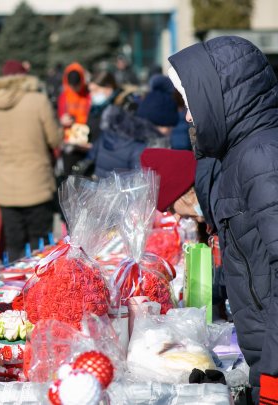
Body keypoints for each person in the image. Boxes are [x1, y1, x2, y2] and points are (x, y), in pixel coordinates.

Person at [168, 35, 278, 404]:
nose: (187, 115)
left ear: (221, 96)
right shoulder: (238, 153)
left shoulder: (261, 157)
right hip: (263, 352)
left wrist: (274, 378)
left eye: (191, 103)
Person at [0, 59, 61, 262]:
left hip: (6, 184)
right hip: (37, 182)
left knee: (14, 243)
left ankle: (16, 288)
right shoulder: (38, 100)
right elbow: (54, 139)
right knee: (41, 245)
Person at [88, 74, 178, 178]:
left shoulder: (116, 128)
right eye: (171, 126)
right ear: (164, 125)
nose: (171, 131)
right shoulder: (144, 148)